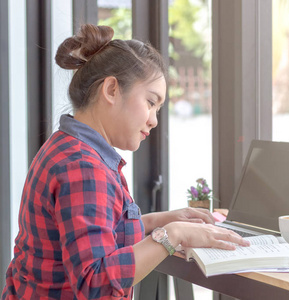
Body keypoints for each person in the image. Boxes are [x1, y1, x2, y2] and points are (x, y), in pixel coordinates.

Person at [1, 24, 249, 300]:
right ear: (111, 90)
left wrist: (158, 220)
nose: (154, 120)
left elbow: (94, 234)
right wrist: (173, 234)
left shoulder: (68, 147)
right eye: (150, 102)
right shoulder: (83, 167)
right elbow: (95, 281)